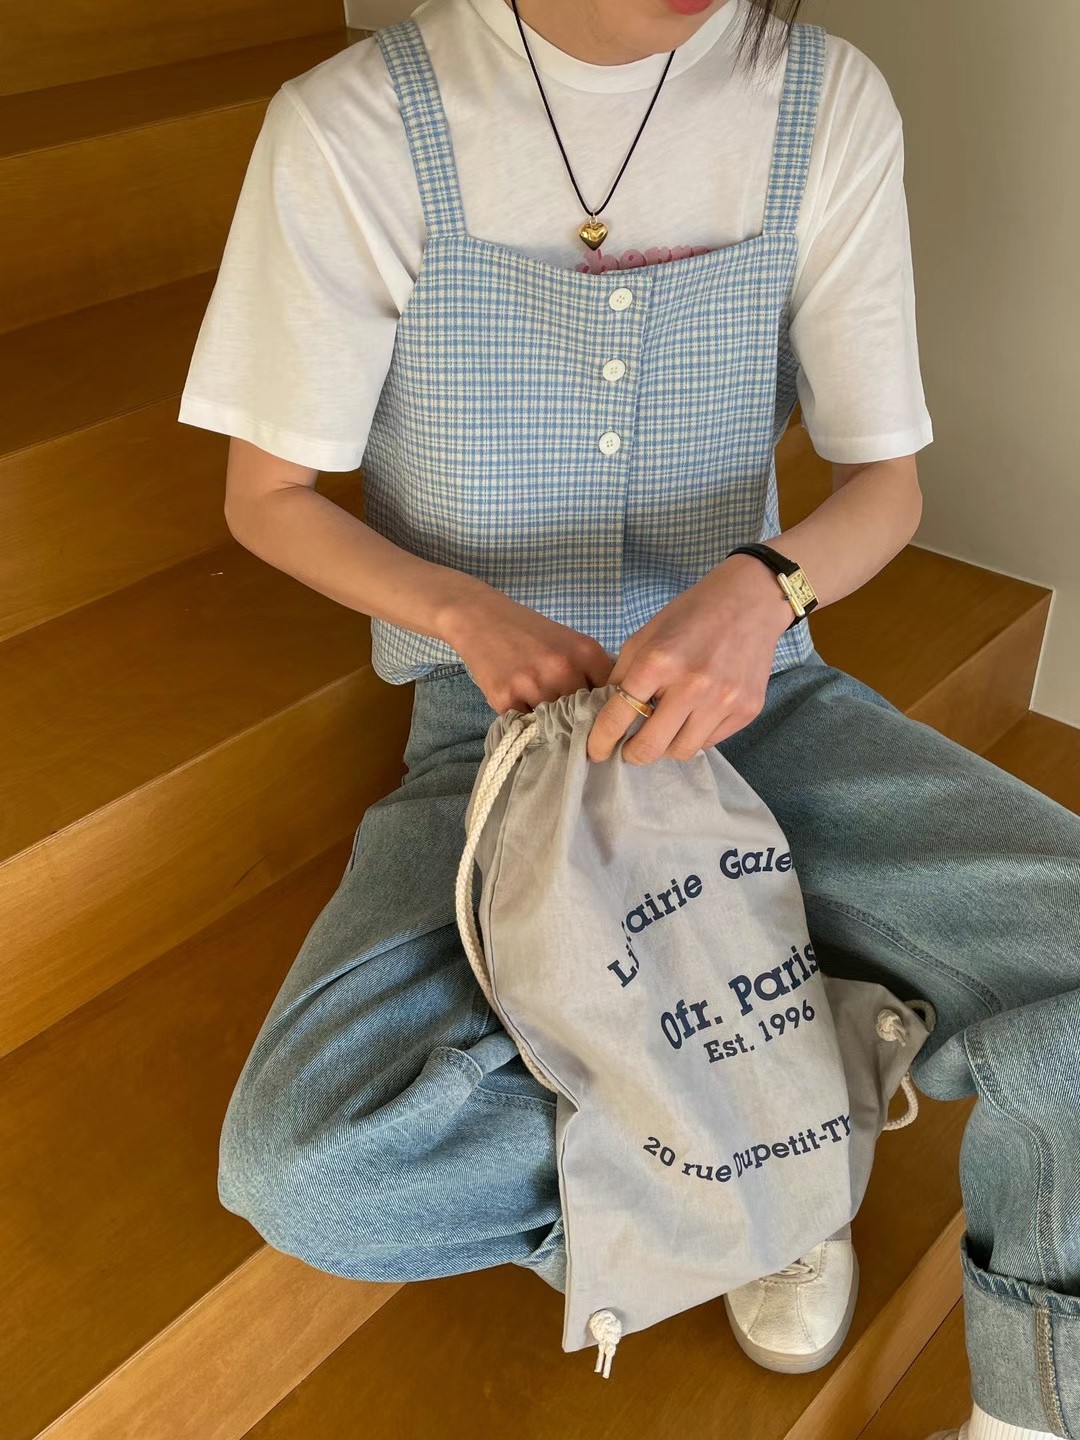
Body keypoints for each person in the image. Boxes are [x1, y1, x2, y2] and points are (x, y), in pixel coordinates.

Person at [176, 1, 1080, 1436]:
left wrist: (768, 588)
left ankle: (1022, 1405)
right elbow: (268, 498)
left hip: (759, 711)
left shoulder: (820, 99)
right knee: (311, 1172)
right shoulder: (358, 122)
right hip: (494, 743)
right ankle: (764, 1161)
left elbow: (884, 487)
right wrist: (466, 615)